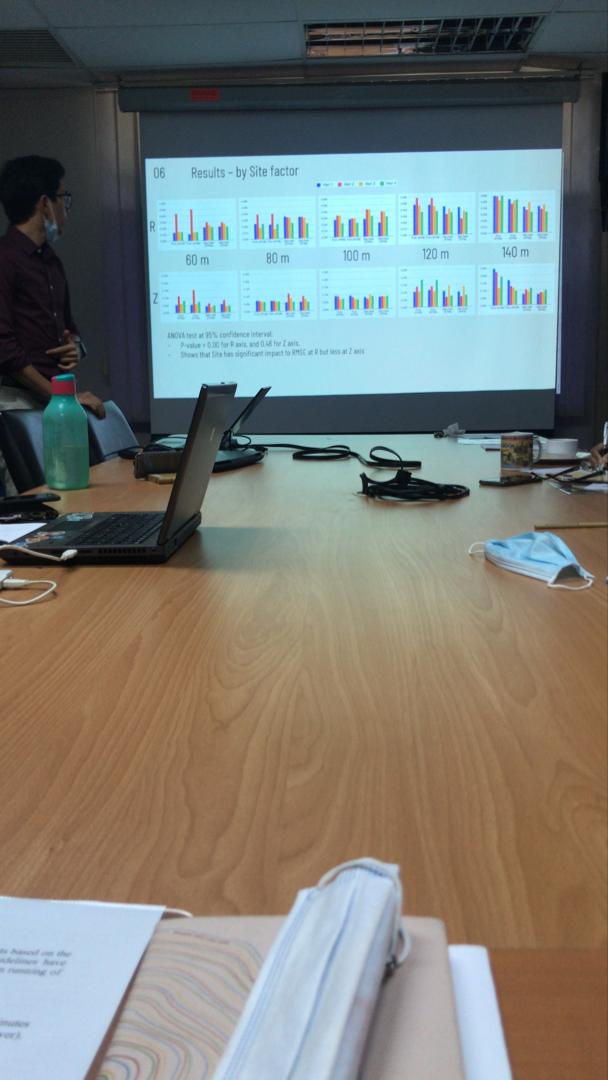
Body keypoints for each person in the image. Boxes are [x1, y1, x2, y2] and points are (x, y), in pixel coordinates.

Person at [0, 155, 105, 493]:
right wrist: (62, 398)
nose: (65, 210)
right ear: (44, 204)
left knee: (68, 498)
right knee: (36, 505)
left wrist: (77, 347)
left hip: (51, 403)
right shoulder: (6, 259)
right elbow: (4, 350)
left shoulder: (50, 261)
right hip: (16, 403)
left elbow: (72, 329)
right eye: (63, 199)